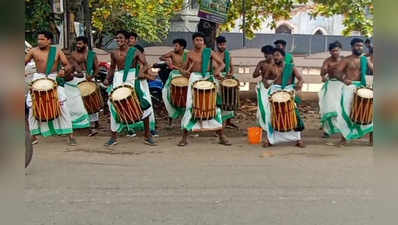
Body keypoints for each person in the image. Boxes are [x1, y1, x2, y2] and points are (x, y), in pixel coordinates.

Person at [178, 32, 231, 146]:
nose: (199, 42)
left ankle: (221, 136)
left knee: (214, 107)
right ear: (193, 41)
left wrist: (216, 72)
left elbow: (222, 64)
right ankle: (184, 138)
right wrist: (185, 72)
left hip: (208, 79)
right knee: (191, 107)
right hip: (194, 80)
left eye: (201, 40)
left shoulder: (209, 52)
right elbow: (182, 69)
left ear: (204, 42)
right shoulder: (189, 54)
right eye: (197, 40)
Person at [103, 30, 156, 146]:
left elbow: (146, 64)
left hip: (132, 78)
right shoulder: (114, 53)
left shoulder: (135, 51)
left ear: (127, 40)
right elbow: (112, 68)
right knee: (113, 104)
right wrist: (108, 79)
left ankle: (147, 135)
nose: (118, 40)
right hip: (118, 79)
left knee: (144, 104)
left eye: (121, 38)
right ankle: (113, 137)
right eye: (117, 38)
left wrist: (141, 72)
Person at [24, 31, 77, 145]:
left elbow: (67, 64)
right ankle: (33, 136)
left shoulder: (57, 51)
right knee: (32, 106)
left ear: (49, 40)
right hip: (38, 79)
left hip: (53, 78)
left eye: (42, 39)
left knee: (62, 105)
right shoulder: (33, 51)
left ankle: (70, 135)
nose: (39, 41)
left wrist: (63, 70)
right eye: (38, 39)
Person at [254, 47, 305, 148]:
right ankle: (270, 139)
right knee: (271, 115)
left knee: (293, 115)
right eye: (274, 55)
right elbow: (265, 81)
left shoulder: (290, 66)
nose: (275, 57)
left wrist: (299, 84)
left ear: (283, 56)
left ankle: (298, 139)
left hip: (288, 92)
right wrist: (269, 82)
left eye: (277, 55)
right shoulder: (271, 67)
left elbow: (301, 79)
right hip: (274, 92)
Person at [335, 38, 374, 146]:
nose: (360, 48)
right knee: (346, 113)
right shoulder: (346, 60)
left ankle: (372, 140)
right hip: (349, 87)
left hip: (362, 88)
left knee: (369, 112)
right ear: (352, 47)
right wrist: (344, 79)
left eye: (361, 46)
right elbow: (337, 72)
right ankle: (344, 138)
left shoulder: (365, 60)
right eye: (357, 45)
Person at [67, 36, 99, 136]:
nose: (78, 45)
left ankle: (94, 123)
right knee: (78, 102)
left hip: (89, 78)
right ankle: (78, 123)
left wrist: (92, 76)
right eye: (77, 44)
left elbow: (97, 68)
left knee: (91, 101)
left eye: (80, 44)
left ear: (85, 44)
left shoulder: (92, 55)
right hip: (77, 79)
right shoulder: (73, 55)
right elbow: (72, 68)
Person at [160, 38, 189, 127]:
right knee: (169, 95)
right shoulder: (172, 53)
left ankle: (186, 122)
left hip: (184, 75)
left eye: (176, 46)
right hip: (174, 75)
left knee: (186, 98)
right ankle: (170, 122)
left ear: (182, 47)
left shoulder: (187, 54)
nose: (174, 47)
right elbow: (161, 57)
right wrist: (168, 61)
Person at [318, 41, 344, 138]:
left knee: (342, 108)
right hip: (331, 85)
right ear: (330, 52)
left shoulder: (344, 60)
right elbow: (322, 73)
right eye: (333, 51)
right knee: (328, 107)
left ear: (340, 50)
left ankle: (344, 129)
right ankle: (327, 131)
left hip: (342, 85)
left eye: (337, 50)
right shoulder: (327, 61)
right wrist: (324, 75)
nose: (335, 53)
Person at [214, 36, 238, 129]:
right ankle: (218, 121)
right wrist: (220, 76)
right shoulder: (214, 54)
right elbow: (214, 68)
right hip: (216, 77)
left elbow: (232, 67)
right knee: (218, 100)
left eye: (224, 44)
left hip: (227, 77)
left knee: (231, 97)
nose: (223, 46)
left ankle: (228, 121)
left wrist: (230, 75)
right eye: (220, 44)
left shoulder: (228, 54)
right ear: (217, 45)